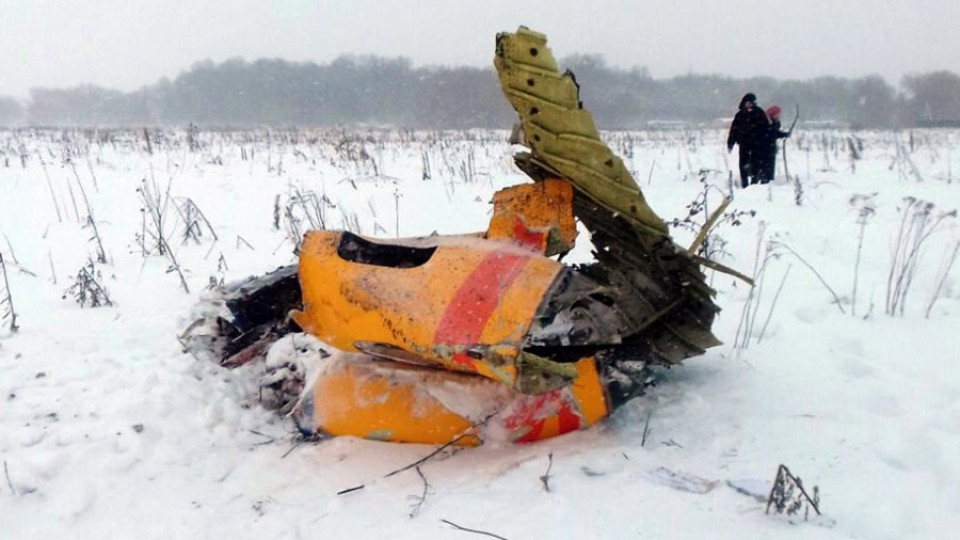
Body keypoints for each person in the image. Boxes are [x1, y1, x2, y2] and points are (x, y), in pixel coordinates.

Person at [727, 93, 768, 188]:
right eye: (748, 102)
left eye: (752, 102)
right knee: (743, 163)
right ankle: (744, 183)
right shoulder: (740, 115)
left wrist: (764, 140)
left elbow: (765, 128)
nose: (750, 104)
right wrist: (730, 143)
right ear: (744, 102)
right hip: (744, 143)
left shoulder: (759, 113)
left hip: (757, 143)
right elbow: (734, 129)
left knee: (756, 163)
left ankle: (754, 182)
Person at [759, 105, 790, 184]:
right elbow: (770, 133)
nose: (779, 116)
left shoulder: (776, 123)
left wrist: (784, 134)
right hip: (763, 147)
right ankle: (764, 181)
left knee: (771, 165)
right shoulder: (765, 122)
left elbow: (775, 134)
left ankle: (770, 180)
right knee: (765, 165)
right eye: (777, 114)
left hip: (772, 147)